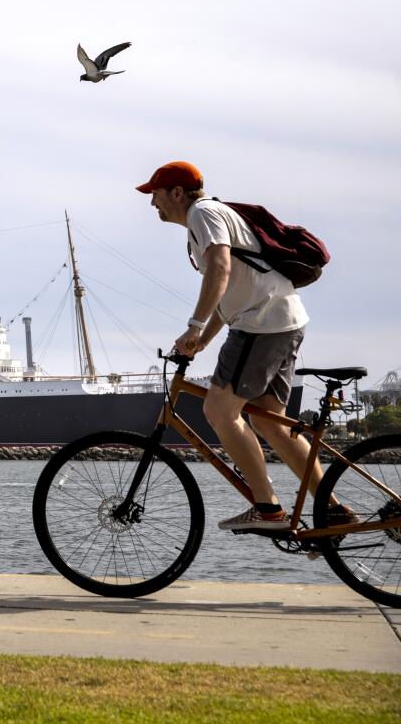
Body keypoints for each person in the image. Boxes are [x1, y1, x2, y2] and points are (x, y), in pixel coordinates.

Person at [137, 161, 352, 531]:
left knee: (220, 411)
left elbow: (220, 270)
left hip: (261, 324)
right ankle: (332, 512)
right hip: (279, 320)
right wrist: (202, 340)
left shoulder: (203, 213)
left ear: (176, 193)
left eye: (155, 193)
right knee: (270, 423)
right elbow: (231, 288)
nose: (151, 202)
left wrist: (193, 326)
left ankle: (268, 510)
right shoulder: (210, 216)